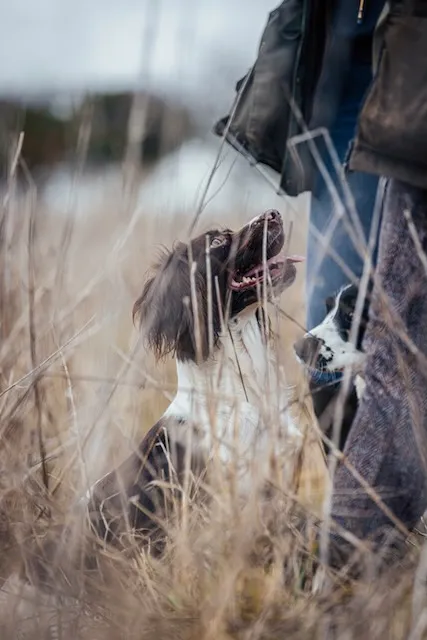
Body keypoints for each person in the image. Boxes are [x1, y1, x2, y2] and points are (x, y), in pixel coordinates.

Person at [216, 0, 427, 564]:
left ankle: (361, 541)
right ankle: (363, 528)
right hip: (343, 61)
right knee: (326, 346)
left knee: (400, 330)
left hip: (413, 64)